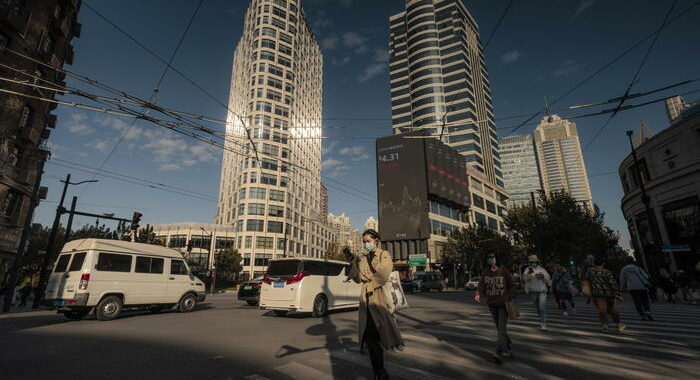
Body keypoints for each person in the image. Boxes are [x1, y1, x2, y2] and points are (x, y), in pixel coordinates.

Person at [346, 229, 404, 380]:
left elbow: (383, 274)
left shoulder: (383, 254)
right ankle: (380, 372)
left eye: (368, 241)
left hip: (379, 300)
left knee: (379, 336)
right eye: (364, 242)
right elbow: (358, 278)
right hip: (366, 301)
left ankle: (380, 372)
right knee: (370, 338)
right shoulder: (362, 258)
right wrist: (353, 263)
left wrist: (370, 282)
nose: (366, 244)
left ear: (376, 240)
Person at [475, 251, 516, 362]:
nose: (491, 259)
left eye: (492, 257)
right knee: (499, 328)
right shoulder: (486, 272)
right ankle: (508, 346)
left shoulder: (503, 271)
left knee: (501, 328)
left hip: (503, 304)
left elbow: (512, 285)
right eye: (488, 257)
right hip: (492, 304)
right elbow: (481, 284)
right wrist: (478, 293)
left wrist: (507, 296)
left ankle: (498, 352)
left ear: (496, 258)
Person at [586, 257, 625, 333]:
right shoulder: (607, 272)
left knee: (602, 310)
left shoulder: (590, 272)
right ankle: (618, 324)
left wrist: (588, 294)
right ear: (603, 263)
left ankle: (605, 326)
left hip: (598, 295)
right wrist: (618, 295)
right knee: (613, 310)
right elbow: (613, 284)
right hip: (609, 294)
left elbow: (587, 282)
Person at [522, 255, 551, 330]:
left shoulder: (542, 269)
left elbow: (548, 279)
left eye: (535, 261)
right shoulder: (528, 269)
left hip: (542, 291)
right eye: (532, 261)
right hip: (533, 291)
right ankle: (542, 319)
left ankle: (544, 324)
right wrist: (529, 274)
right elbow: (524, 278)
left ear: (537, 262)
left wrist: (542, 277)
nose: (534, 263)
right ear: (530, 262)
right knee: (538, 308)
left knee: (542, 308)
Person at [619, 256, 653, 321]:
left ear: (626, 261)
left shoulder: (624, 269)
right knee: (645, 300)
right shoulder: (638, 268)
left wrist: (621, 288)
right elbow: (646, 276)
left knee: (637, 301)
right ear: (633, 261)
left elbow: (622, 280)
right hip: (642, 286)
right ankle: (647, 312)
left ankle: (642, 315)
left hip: (632, 287)